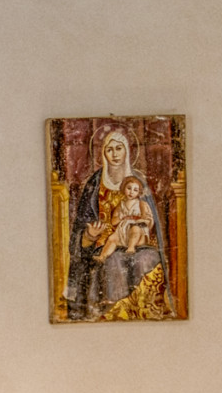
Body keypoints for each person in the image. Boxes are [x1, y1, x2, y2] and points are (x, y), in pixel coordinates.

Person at [63, 128, 161, 317]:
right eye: (109, 149)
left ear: (127, 151)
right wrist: (89, 235)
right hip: (106, 244)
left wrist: (141, 226)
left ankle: (141, 312)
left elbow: (151, 221)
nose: (115, 154)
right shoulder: (94, 185)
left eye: (119, 148)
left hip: (138, 242)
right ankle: (113, 312)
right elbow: (81, 229)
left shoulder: (138, 182)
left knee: (148, 258)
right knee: (113, 261)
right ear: (103, 153)